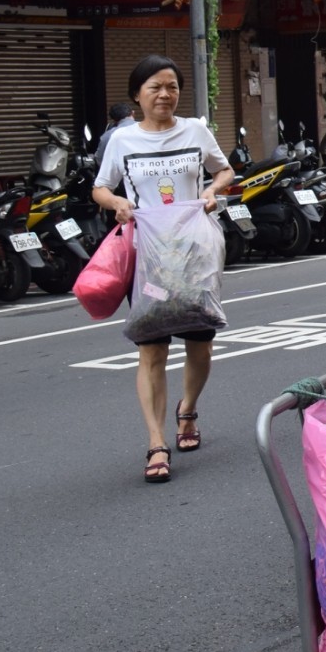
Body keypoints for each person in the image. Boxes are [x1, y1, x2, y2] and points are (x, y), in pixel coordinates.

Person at [91, 55, 234, 485]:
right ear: (137, 95)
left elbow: (224, 169)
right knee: (151, 349)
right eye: (155, 87)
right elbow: (100, 186)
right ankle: (156, 442)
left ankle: (187, 407)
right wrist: (117, 203)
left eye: (172, 86)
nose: (165, 95)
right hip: (149, 259)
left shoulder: (195, 130)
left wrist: (211, 191)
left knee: (200, 345)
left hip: (194, 255)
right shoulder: (122, 140)